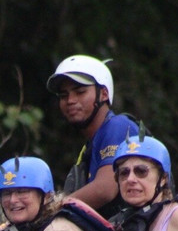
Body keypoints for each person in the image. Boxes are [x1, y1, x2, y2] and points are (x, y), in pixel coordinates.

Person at [48, 54, 140, 217]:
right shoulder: (91, 145)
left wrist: (53, 209)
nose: (70, 100)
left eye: (80, 92)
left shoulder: (117, 126)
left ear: (104, 94)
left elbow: (105, 189)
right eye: (64, 95)